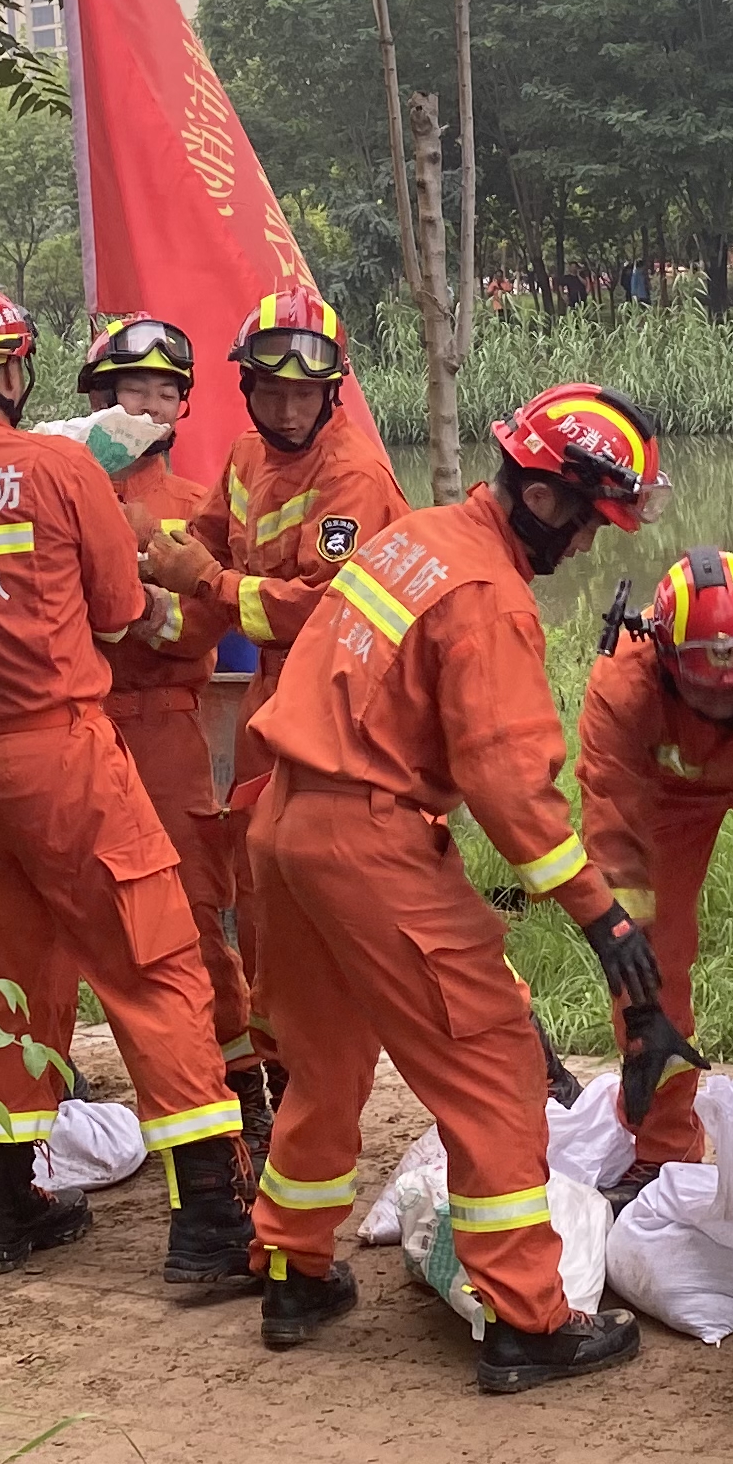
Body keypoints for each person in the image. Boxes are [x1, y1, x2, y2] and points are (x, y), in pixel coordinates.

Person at [244, 385, 668, 1393]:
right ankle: (527, 1318)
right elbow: (511, 788)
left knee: (326, 1062)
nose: (584, 549)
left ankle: (292, 1269)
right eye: (586, 522)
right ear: (550, 497)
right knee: (489, 1065)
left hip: (282, 824)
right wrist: (603, 918)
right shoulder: (488, 593)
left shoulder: (416, 537)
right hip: (366, 838)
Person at [0, 281, 247, 1288]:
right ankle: (209, 1217)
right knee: (156, 962)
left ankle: (6, 1211)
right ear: (14, 372)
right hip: (64, 749)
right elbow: (124, 602)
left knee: (9, 985)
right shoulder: (55, 466)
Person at [139, 282, 413, 1129]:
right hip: (274, 700)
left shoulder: (355, 477)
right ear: (248, 389)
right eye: (272, 389)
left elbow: (328, 609)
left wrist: (207, 584)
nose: (288, 406)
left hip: (352, 704)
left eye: (304, 391)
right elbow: (213, 538)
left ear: (330, 392)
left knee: (381, 894)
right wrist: (147, 558)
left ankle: (518, 1059)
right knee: (262, 896)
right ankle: (286, 1073)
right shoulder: (246, 459)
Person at [574, 544, 733, 1203]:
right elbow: (611, 829)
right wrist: (617, 933)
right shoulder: (622, 689)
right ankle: (663, 1148)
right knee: (645, 959)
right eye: (702, 691)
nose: (723, 704)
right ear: (661, 657)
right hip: (666, 797)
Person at [81, 318, 261, 1143]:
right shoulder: (62, 488)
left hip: (163, 727)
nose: (149, 405)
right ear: (98, 396)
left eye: (165, 390)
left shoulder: (198, 507)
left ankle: (239, 1081)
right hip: (76, 732)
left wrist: (140, 605)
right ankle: (160, 1092)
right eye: (132, 388)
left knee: (194, 910)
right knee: (97, 923)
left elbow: (204, 624)